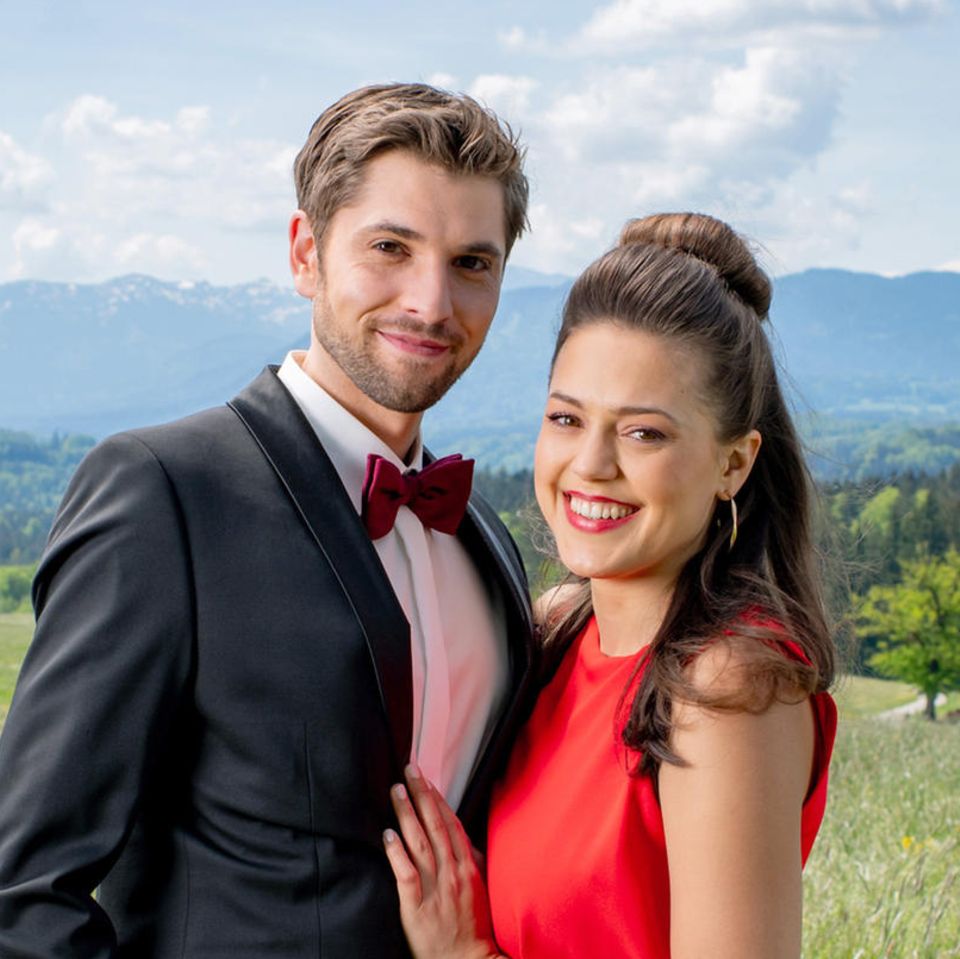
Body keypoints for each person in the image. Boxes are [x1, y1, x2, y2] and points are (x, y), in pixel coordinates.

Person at [0, 83, 538, 958]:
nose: (432, 303)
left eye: (472, 263)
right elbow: (21, 895)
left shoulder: (484, 534)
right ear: (305, 253)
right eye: (391, 248)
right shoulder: (161, 493)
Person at [382, 212, 838, 959]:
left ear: (734, 462)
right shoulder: (559, 632)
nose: (590, 464)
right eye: (566, 417)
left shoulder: (724, 691)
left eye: (643, 432)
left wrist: (466, 956)